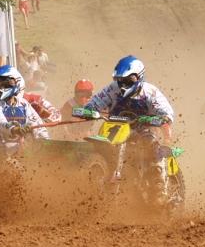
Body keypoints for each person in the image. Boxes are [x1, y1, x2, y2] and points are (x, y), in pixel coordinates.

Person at [73, 55, 175, 203]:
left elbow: (166, 111)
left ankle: (160, 189)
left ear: (138, 77)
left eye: (127, 80)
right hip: (115, 127)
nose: (122, 84)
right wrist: (88, 110)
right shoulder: (113, 89)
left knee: (153, 148)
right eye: (120, 80)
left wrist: (163, 118)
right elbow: (96, 101)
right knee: (100, 144)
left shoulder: (150, 92)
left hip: (143, 129)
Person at [0, 65, 49, 157]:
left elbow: (37, 126)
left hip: (20, 153)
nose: (1, 87)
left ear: (16, 82)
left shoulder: (23, 104)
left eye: (5, 83)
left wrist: (46, 143)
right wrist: (14, 129)